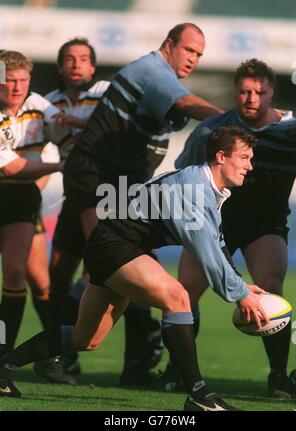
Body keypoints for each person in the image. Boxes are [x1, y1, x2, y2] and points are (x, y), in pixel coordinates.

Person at [0, 126, 270, 411]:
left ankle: (3, 367)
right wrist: (240, 295)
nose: (249, 166)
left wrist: (241, 284)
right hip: (114, 245)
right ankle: (199, 396)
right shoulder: (195, 190)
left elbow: (217, 243)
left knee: (85, 337)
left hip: (116, 244)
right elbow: (207, 254)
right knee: (177, 297)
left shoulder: (207, 188)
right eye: (244, 157)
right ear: (221, 156)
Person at [53, 22, 223, 386]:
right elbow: (186, 103)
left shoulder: (159, 85)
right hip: (97, 179)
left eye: (199, 55)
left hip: (118, 186)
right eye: (189, 50)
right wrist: (231, 121)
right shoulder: (152, 71)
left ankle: (127, 365)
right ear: (169, 45)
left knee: (102, 272)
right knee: (117, 265)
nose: (193, 59)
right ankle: (63, 357)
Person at [169, 58, 296, 399]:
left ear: (272, 93)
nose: (251, 98)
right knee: (183, 293)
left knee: (270, 289)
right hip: (212, 223)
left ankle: (279, 376)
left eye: (259, 91)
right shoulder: (211, 130)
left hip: (265, 225)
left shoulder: (291, 131)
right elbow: (184, 174)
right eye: (243, 91)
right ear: (234, 92)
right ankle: (177, 371)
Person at [27, 37, 110, 383]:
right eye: (70, 59)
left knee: (102, 274)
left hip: (107, 197)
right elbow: (33, 146)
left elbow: (116, 126)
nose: (77, 64)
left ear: (92, 67)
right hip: (74, 198)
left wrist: (76, 124)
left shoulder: (107, 92)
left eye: (84, 59)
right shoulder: (49, 104)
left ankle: (140, 359)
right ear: (60, 67)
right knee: (57, 278)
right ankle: (55, 356)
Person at [0, 50, 82, 361]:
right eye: (10, 81)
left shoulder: (38, 104)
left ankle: (32, 357)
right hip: (11, 185)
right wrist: (60, 166)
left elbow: (67, 134)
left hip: (20, 199)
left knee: (21, 273)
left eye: (23, 80)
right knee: (28, 274)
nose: (17, 87)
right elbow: (11, 167)